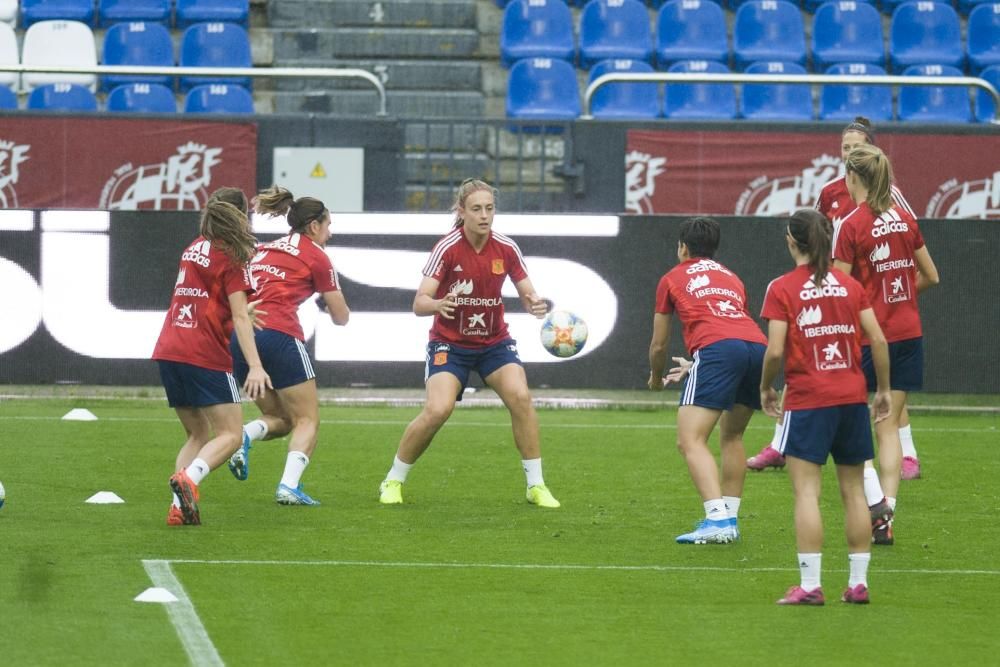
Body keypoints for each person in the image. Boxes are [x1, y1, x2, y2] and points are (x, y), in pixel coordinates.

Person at [748, 116, 925, 481]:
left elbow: (905, 247)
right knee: (867, 385)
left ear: (871, 151)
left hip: (870, 308)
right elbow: (815, 236)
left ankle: (905, 456)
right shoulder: (830, 192)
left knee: (873, 388)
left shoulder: (890, 196)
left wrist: (887, 297)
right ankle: (782, 444)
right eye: (845, 147)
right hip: (843, 304)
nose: (849, 153)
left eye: (857, 147)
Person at [376, 178, 559, 508]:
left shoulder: (506, 248)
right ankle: (393, 479)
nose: (484, 215)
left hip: (494, 343)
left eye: (489, 208)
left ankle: (536, 486)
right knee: (438, 409)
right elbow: (419, 302)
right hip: (450, 344)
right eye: (476, 209)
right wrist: (438, 304)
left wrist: (535, 304)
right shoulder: (447, 248)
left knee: (521, 397)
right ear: (462, 212)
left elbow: (528, 292)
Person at [760, 208, 891, 605]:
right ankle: (857, 584)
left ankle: (811, 585)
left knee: (806, 494)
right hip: (851, 398)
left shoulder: (781, 287)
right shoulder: (849, 286)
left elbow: (776, 349)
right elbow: (879, 341)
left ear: (791, 241)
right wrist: (882, 389)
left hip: (808, 399)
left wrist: (766, 387)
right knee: (853, 492)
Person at [834, 143, 939, 545]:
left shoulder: (851, 225)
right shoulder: (903, 219)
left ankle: (876, 507)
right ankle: (888, 508)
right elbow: (930, 274)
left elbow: (841, 290)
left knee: (855, 426)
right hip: (908, 332)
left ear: (852, 178)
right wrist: (901, 298)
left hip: (867, 338)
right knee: (889, 427)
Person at [226, 186, 351, 505]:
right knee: (308, 419)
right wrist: (325, 301)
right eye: (328, 226)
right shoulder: (317, 257)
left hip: (241, 341)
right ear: (314, 226)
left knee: (281, 420)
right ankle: (288, 486)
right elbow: (341, 317)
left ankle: (243, 436)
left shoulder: (264, 250)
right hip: (280, 336)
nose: (330, 234)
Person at [152, 194, 272, 526]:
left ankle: (177, 508)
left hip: (170, 347)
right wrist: (257, 365)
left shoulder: (193, 247)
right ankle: (189, 480)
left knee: (197, 434)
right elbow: (240, 317)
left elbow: (204, 298)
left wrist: (235, 312)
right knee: (232, 435)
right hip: (203, 352)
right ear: (240, 217)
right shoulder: (233, 256)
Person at [647, 216, 767, 544]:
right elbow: (733, 327)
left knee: (690, 439)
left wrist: (657, 377)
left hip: (718, 349)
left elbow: (659, 344)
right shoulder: (732, 277)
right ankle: (729, 517)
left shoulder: (672, 278)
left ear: (683, 248)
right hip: (757, 348)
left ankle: (717, 519)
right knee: (733, 436)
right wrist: (695, 363)